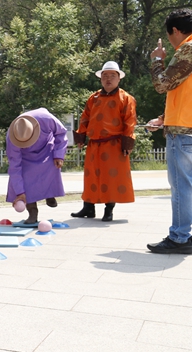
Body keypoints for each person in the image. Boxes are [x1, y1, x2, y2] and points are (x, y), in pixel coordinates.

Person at [146, 9, 192, 254]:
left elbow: (162, 84)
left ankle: (180, 238)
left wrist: (156, 59)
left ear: (175, 30)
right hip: (185, 126)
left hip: (183, 133)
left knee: (181, 187)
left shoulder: (188, 48)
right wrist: (165, 118)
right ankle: (185, 235)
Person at [71, 61, 137, 222]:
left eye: (112, 76)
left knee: (111, 177)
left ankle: (109, 209)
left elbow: (130, 121)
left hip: (114, 144)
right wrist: (81, 136)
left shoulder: (126, 98)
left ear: (118, 78)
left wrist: (127, 143)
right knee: (91, 175)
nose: (108, 79)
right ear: (100, 78)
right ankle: (88, 207)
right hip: (94, 143)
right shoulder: (93, 98)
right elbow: (85, 118)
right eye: (105, 76)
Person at [6, 108, 68, 224]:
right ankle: (32, 211)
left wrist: (58, 155)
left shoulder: (46, 118)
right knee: (25, 177)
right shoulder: (12, 138)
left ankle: (49, 194)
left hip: (47, 148)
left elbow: (61, 133)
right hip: (26, 156)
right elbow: (15, 167)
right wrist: (20, 193)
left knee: (52, 165)